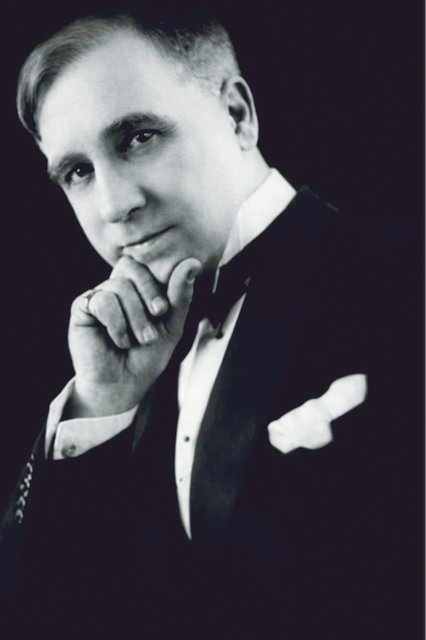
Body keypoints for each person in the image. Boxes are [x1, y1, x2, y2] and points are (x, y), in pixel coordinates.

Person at [0, 9, 421, 640]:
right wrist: (102, 402)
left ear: (237, 115)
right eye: (78, 172)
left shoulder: (403, 280)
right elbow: (44, 612)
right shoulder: (123, 370)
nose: (114, 206)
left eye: (139, 137)